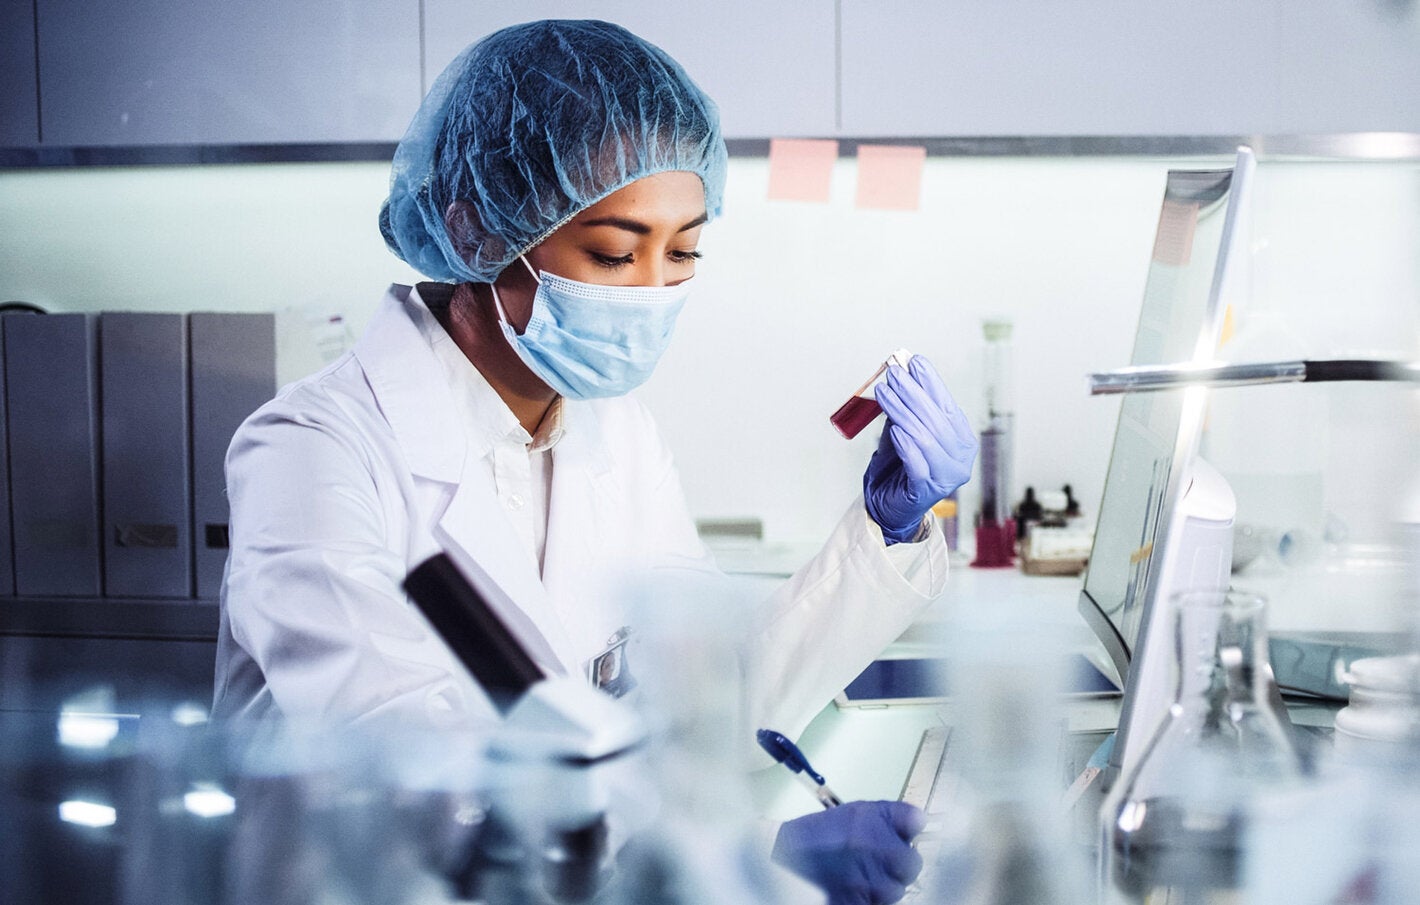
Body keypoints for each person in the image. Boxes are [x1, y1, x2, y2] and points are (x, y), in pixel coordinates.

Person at [211, 19, 977, 904]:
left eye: (684, 250)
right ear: (474, 231)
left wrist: (888, 529)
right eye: (615, 253)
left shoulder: (616, 433)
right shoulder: (314, 451)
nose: (655, 292)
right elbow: (416, 776)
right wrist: (754, 850)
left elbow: (704, 709)